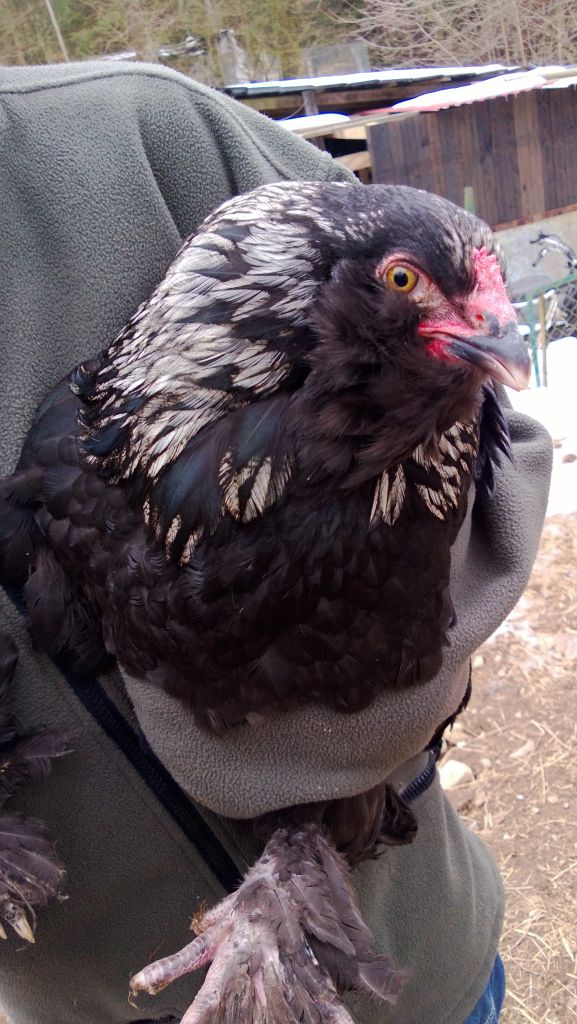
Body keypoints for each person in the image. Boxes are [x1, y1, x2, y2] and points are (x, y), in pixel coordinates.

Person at [0, 60, 551, 1024]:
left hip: (412, 965)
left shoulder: (139, 131)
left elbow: (504, 471)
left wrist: (325, 751)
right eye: (414, 287)